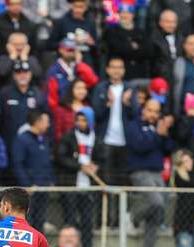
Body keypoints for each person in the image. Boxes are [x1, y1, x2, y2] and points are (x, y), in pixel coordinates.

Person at [125, 98, 175, 247]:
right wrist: (158, 135)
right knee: (156, 202)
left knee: (156, 216)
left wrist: (164, 133)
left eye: (156, 111)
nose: (153, 114)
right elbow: (140, 147)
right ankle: (132, 218)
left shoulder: (159, 128)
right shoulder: (133, 126)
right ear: (143, 110)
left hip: (157, 173)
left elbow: (169, 149)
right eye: (150, 110)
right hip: (140, 172)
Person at [55, 108, 99, 247]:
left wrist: (95, 166)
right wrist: (80, 166)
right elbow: (61, 157)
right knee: (70, 220)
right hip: (71, 185)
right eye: (78, 120)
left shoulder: (96, 137)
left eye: (84, 120)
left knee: (87, 222)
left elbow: (103, 157)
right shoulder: (68, 137)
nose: (80, 123)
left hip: (88, 186)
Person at [92, 57, 133, 191]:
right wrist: (107, 104)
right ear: (107, 70)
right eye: (113, 67)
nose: (116, 70)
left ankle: (121, 211)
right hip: (106, 140)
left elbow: (135, 114)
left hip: (125, 141)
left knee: (122, 180)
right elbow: (96, 115)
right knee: (106, 181)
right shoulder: (101, 88)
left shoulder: (130, 88)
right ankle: (106, 211)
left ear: (124, 70)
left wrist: (127, 104)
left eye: (120, 67)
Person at [12, 109, 54, 232]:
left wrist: (50, 180)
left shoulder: (43, 139)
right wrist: (27, 184)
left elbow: (47, 162)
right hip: (29, 189)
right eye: (46, 121)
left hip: (43, 187)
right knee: (27, 220)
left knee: (40, 219)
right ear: (38, 122)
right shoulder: (22, 139)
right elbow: (17, 163)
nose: (48, 125)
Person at [0, 59, 48, 150]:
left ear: (30, 74)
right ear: (14, 75)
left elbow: (45, 117)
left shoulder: (38, 94)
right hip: (9, 141)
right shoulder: (4, 93)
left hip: (32, 143)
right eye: (18, 73)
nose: (22, 75)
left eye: (25, 72)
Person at [45, 36, 98, 112]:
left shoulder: (79, 67)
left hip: (80, 111)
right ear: (60, 50)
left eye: (73, 50)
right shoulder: (54, 71)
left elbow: (93, 81)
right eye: (68, 50)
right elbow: (51, 99)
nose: (71, 53)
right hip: (62, 112)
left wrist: (79, 63)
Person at [103, 2, 150, 80]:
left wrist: (127, 47)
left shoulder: (141, 33)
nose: (125, 16)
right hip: (120, 77)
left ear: (133, 15)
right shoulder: (111, 32)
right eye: (122, 13)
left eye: (128, 13)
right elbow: (118, 49)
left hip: (139, 74)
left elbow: (148, 51)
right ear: (119, 14)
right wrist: (135, 48)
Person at [47, 0, 97, 67]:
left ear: (86, 8)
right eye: (75, 6)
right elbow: (50, 45)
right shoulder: (62, 22)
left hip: (86, 61)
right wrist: (66, 43)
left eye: (81, 7)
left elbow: (97, 48)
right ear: (71, 6)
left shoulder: (90, 23)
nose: (78, 10)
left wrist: (91, 42)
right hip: (66, 61)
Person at [0, 0, 37, 65]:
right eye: (12, 4)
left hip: (25, 60)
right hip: (2, 61)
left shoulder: (29, 23)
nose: (16, 7)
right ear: (7, 6)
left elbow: (34, 47)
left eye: (18, 4)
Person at [53, 78, 90, 145]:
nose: (82, 91)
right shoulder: (61, 109)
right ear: (71, 89)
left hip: (85, 146)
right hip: (67, 147)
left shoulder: (88, 108)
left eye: (84, 88)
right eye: (78, 88)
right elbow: (58, 133)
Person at [150, 9, 182, 84]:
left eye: (173, 22)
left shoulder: (182, 39)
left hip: (180, 78)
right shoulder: (153, 39)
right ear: (160, 23)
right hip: (161, 79)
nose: (171, 25)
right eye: (168, 22)